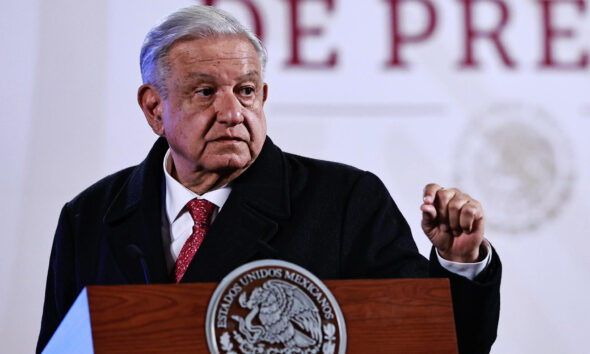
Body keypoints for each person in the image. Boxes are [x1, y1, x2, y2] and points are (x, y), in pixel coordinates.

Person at [37, 5, 500, 353]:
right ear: (155, 108)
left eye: (245, 91)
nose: (232, 113)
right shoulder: (91, 216)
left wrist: (459, 263)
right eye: (204, 92)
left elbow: (436, 341)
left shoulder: (343, 201)